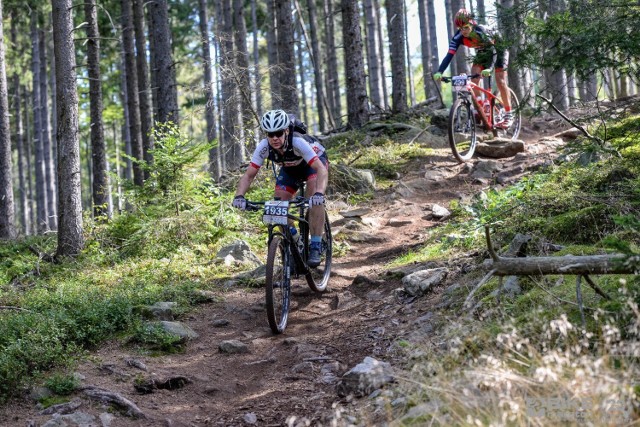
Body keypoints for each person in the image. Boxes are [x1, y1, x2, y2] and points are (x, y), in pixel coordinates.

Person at [232, 109, 329, 268]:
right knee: (277, 206)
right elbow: (249, 175)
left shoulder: (298, 142)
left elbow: (321, 170)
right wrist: (239, 196)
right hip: (290, 169)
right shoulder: (264, 147)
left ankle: (316, 245)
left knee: (313, 201)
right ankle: (295, 240)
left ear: (286, 131)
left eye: (278, 133)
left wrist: (319, 193)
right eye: (270, 134)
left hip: (313, 165)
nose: (275, 138)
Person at [433, 8, 513, 128]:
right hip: (482, 51)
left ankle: (509, 114)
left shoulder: (481, 31)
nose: (463, 31)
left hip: (498, 50)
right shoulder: (458, 37)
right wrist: (440, 71)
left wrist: (489, 68)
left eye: (465, 27)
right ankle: (480, 108)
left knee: (500, 81)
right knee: (473, 78)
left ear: (472, 23)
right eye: (460, 29)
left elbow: (493, 50)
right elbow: (449, 55)